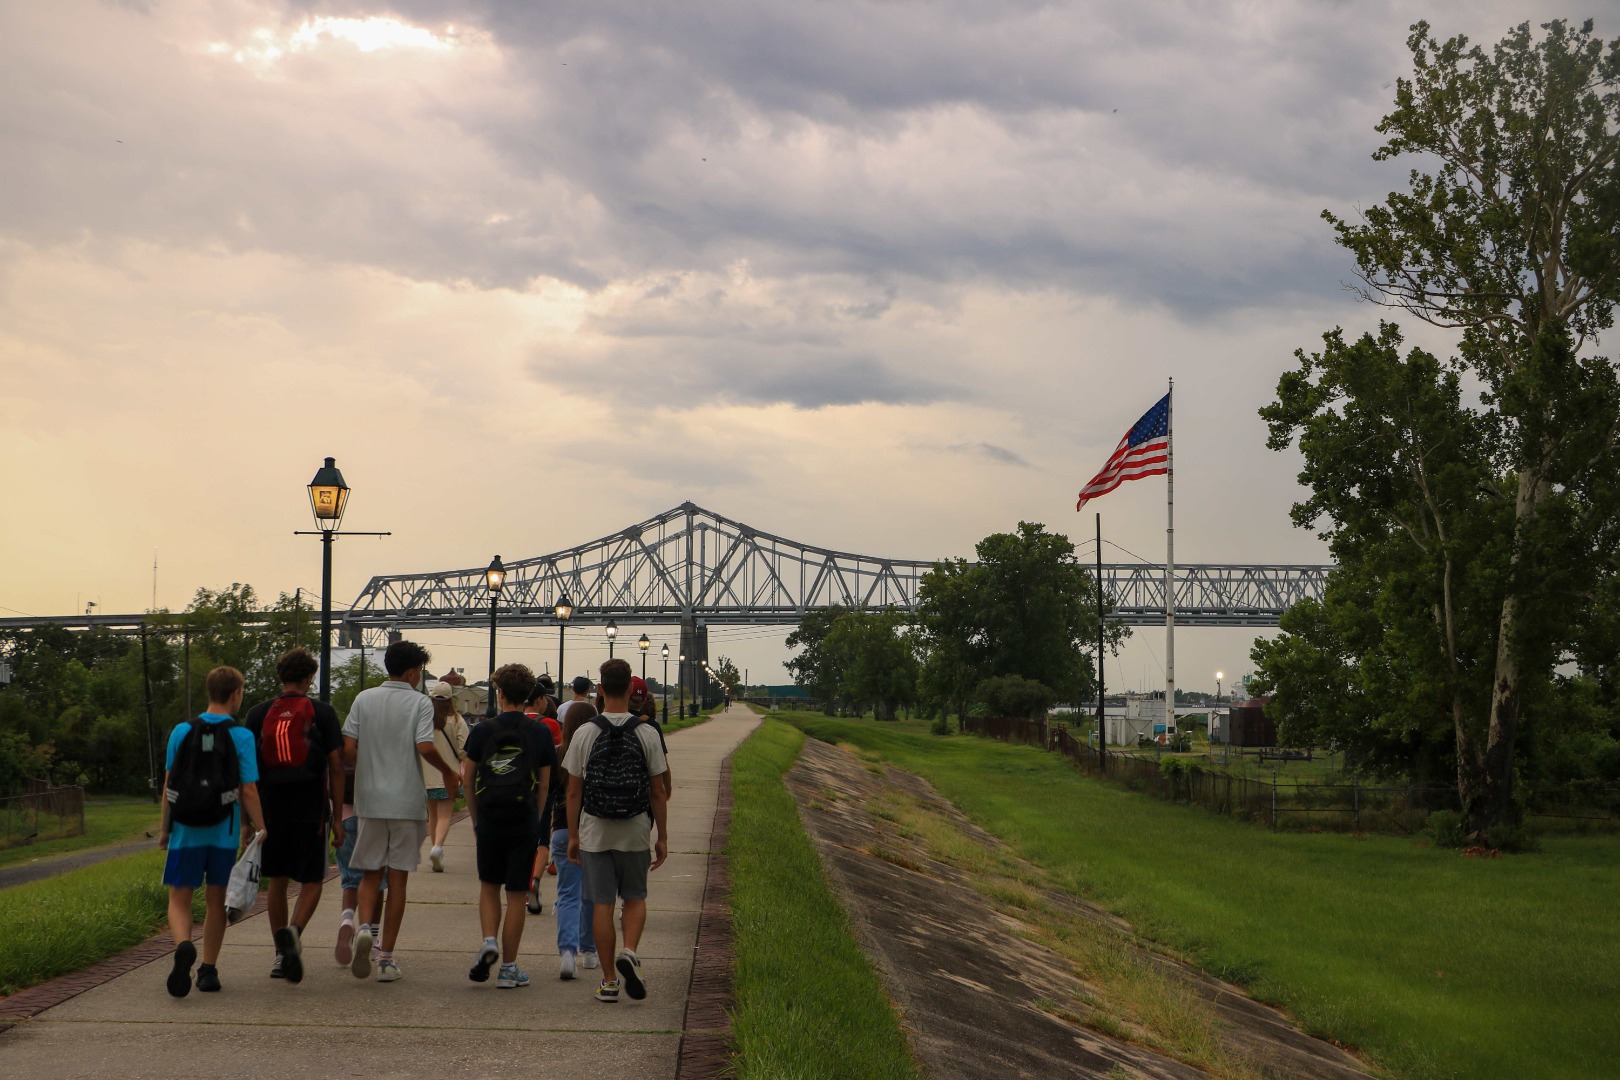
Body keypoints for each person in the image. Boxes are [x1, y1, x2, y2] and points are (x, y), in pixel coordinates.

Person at [342, 639, 459, 983]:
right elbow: (424, 745)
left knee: (369, 873)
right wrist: (449, 771)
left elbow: (348, 745)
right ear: (411, 672)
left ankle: (364, 927)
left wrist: (368, 769)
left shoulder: (364, 699)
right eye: (420, 671)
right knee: (398, 879)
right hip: (406, 802)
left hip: (370, 800)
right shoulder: (419, 703)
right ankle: (386, 956)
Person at [565, 658, 669, 1003]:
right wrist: (662, 836)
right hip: (635, 828)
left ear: (599, 689)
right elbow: (658, 790)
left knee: (602, 905)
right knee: (635, 898)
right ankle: (629, 950)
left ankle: (609, 981)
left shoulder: (584, 732)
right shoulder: (647, 732)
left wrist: (574, 835)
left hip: (595, 829)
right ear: (629, 690)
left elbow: (573, 791)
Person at [159, 666, 266, 997]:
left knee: (180, 897)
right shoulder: (241, 736)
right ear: (235, 693)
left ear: (209, 691)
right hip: (223, 831)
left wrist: (165, 831)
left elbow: (168, 787)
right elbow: (247, 790)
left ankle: (183, 947)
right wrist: (261, 828)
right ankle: (207, 970)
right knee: (216, 900)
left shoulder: (181, 732)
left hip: (185, 831)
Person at [243, 648, 344, 984]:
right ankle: (295, 934)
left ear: (280, 677)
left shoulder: (258, 714)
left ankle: (278, 955)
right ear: (309, 678)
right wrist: (339, 818)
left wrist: (249, 822)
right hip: (310, 807)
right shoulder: (322, 712)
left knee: (277, 880)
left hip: (270, 808)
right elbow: (336, 768)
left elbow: (248, 775)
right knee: (313, 879)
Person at [461, 664, 557, 989]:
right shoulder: (542, 732)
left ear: (499, 694)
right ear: (529, 694)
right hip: (524, 818)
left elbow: (467, 777)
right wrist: (537, 816)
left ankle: (489, 940)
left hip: (490, 817)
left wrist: (476, 818)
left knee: (489, 885)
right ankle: (509, 968)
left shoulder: (482, 731)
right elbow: (545, 784)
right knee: (516, 894)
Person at [551, 675, 600, 974]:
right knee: (592, 893)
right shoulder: (597, 751)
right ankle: (590, 950)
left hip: (561, 828)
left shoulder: (558, 752)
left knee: (567, 893)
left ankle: (566, 953)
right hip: (593, 827)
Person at [424, 681, 470, 873]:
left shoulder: (424, 719)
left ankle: (435, 848)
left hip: (427, 775)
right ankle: (437, 848)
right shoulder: (457, 720)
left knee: (432, 815)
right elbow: (464, 748)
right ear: (451, 699)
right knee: (445, 815)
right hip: (448, 774)